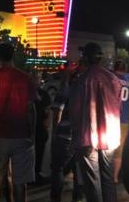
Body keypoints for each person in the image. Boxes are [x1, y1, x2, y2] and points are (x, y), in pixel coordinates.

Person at [0, 43, 36, 202]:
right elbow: (30, 109)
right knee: (20, 181)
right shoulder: (25, 78)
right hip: (21, 134)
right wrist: (31, 133)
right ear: (13, 55)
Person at [70, 43, 122, 202]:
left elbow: (76, 111)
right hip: (109, 134)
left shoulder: (82, 80)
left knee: (92, 180)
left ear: (86, 58)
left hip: (88, 135)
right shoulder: (112, 78)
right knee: (108, 178)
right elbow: (118, 104)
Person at [49, 65, 83, 202]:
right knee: (78, 170)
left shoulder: (66, 91)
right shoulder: (85, 92)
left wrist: (55, 134)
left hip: (64, 135)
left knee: (57, 168)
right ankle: (78, 197)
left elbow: (58, 112)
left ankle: (56, 198)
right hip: (81, 136)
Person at [113, 60, 129, 183]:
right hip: (124, 119)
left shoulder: (111, 77)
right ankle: (115, 177)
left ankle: (103, 174)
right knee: (119, 150)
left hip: (110, 118)